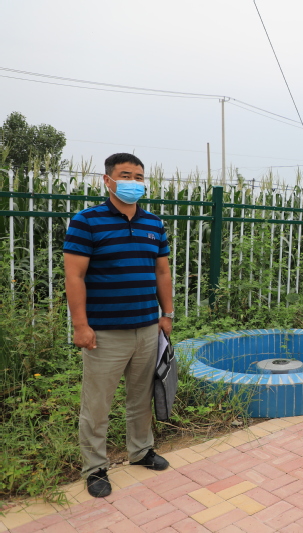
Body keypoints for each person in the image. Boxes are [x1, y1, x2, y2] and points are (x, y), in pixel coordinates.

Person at [64, 153, 174, 498]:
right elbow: (74, 276)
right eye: (126, 175)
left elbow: (162, 271)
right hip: (105, 332)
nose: (134, 182)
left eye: (139, 177)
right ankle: (95, 467)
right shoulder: (87, 221)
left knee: (141, 397)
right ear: (107, 180)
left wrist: (167, 314)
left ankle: (141, 451)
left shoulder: (153, 223)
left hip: (147, 328)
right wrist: (81, 326)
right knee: (97, 405)